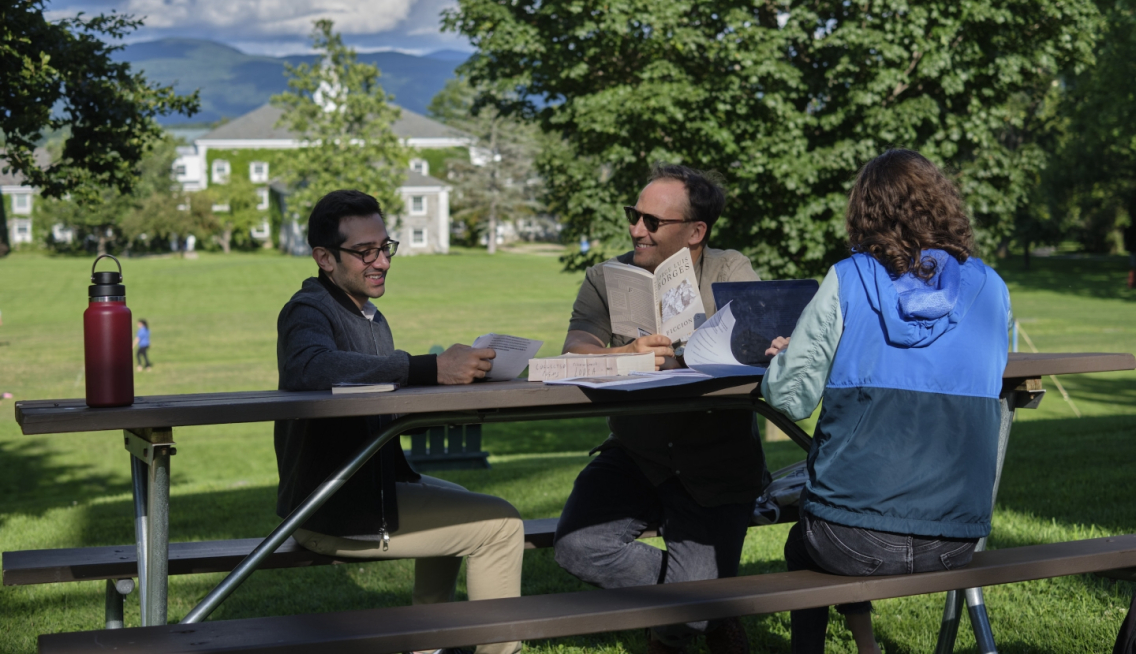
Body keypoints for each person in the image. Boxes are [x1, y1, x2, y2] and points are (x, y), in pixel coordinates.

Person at [762, 149, 1012, 654]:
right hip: (957, 540)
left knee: (804, 539)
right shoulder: (992, 288)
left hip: (850, 540)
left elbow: (789, 396)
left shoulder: (847, 279)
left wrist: (793, 355)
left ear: (865, 212)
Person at [276, 189, 523, 654]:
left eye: (384, 247)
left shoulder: (366, 313)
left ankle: (425, 646)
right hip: (333, 509)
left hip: (368, 489)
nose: (382, 262)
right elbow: (308, 368)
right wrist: (429, 368)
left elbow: (377, 403)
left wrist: (459, 388)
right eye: (364, 251)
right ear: (324, 258)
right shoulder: (308, 309)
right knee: (502, 525)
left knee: (467, 500)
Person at [552, 164, 765, 654]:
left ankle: (695, 616)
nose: (635, 229)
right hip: (635, 450)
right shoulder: (607, 276)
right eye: (634, 215)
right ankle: (713, 610)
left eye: (651, 221)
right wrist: (624, 354)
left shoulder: (730, 269)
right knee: (577, 547)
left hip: (716, 460)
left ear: (696, 232)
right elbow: (577, 349)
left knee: (680, 627)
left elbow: (753, 343)